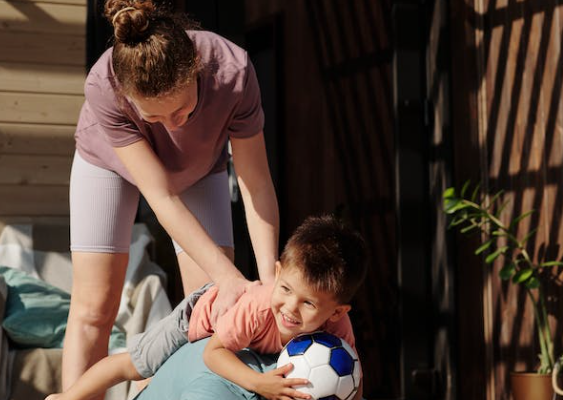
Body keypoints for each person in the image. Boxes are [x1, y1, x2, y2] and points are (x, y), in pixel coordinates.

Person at [63, 0, 280, 393]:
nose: (169, 126)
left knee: (210, 309)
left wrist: (267, 284)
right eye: (154, 118)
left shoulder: (233, 72)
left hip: (197, 166)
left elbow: (256, 184)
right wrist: (230, 276)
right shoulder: (103, 85)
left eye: (179, 112)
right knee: (95, 306)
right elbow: (160, 197)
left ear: (196, 69)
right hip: (108, 163)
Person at [46, 215, 367, 400]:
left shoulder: (337, 332)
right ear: (278, 272)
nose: (290, 309)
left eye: (308, 303)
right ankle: (67, 397)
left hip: (229, 332)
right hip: (203, 314)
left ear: (337, 312)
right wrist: (258, 383)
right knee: (135, 365)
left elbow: (352, 377)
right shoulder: (257, 309)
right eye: (284, 290)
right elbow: (213, 353)